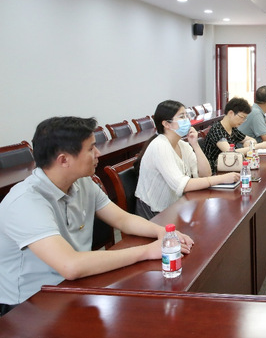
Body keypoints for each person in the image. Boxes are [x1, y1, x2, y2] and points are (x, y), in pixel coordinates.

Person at [0, 116, 194, 313]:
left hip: (74, 286)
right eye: (91, 148)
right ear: (64, 160)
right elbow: (71, 265)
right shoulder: (25, 202)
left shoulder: (81, 182)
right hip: (28, 305)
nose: (98, 153)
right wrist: (147, 252)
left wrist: (162, 232)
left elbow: (122, 219)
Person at [135, 100, 240, 220]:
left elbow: (205, 174)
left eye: (186, 115)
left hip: (175, 206)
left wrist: (195, 145)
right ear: (166, 124)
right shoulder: (160, 146)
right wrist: (222, 178)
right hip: (154, 211)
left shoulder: (182, 144)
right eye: (182, 117)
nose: (187, 120)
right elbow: (182, 185)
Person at [202, 97, 266, 173]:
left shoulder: (233, 129)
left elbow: (252, 139)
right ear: (231, 113)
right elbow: (230, 153)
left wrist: (249, 143)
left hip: (230, 167)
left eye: (245, 118)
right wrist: (258, 146)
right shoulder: (217, 130)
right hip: (215, 171)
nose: (243, 121)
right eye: (242, 117)